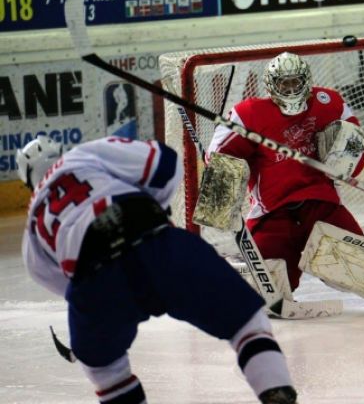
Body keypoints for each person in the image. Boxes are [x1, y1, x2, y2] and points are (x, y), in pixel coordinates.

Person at [17, 135, 298, 404]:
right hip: (156, 244)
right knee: (247, 324)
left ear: (27, 179)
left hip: (97, 281)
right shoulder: (82, 155)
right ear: (59, 152)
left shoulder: (31, 233)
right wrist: (155, 213)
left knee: (105, 371)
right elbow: (165, 163)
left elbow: (71, 287)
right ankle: (275, 391)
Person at [206, 52, 364, 292]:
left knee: (361, 268)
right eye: (284, 83)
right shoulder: (249, 114)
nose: (291, 89)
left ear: (307, 81)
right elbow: (216, 156)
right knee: (269, 289)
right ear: (272, 86)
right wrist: (221, 183)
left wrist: (342, 160)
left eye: (296, 82)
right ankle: (234, 274)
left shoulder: (329, 103)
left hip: (322, 206)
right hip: (273, 213)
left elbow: (355, 150)